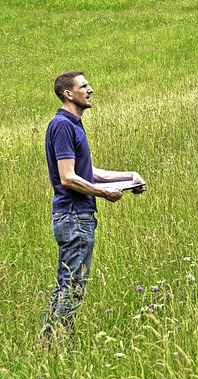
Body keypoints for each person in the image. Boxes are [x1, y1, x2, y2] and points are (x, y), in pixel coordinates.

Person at [42, 70, 146, 340]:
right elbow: (68, 177)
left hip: (78, 217)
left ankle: (52, 341)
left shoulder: (73, 124)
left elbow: (86, 172)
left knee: (69, 285)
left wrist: (128, 177)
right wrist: (103, 193)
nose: (91, 90)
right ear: (68, 94)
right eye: (84, 86)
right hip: (74, 216)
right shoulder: (63, 124)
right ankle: (55, 344)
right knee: (72, 287)